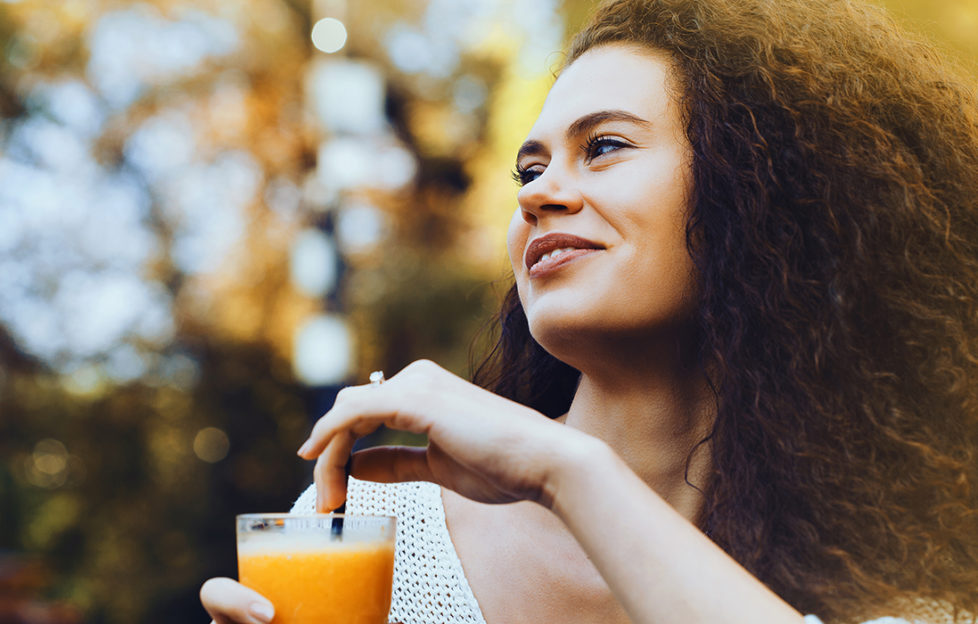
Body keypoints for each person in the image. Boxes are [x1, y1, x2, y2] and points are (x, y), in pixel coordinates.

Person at [201, 0, 978, 622]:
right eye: (529, 167)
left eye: (603, 146)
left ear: (763, 192)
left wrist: (567, 473)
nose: (536, 193)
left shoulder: (898, 582)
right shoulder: (368, 538)